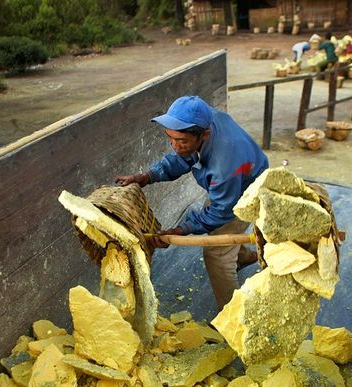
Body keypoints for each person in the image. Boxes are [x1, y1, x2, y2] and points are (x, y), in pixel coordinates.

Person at [115, 96, 269, 309]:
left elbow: (221, 212)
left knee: (216, 254)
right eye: (170, 138)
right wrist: (148, 176)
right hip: (235, 178)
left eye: (182, 142)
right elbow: (182, 157)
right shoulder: (200, 121)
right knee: (216, 218)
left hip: (248, 189)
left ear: (204, 135)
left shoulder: (224, 165)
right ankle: (242, 257)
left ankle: (233, 318)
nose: (175, 146)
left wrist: (182, 229)